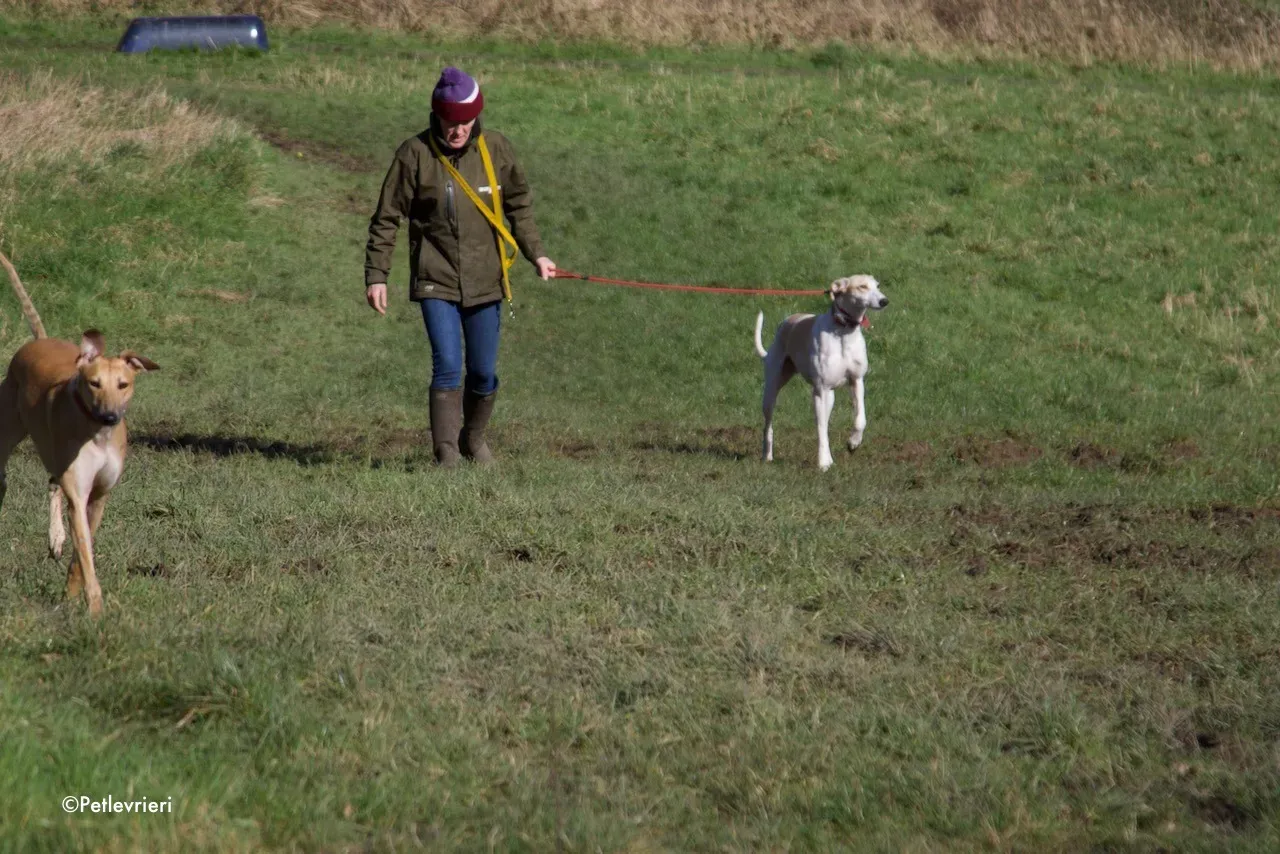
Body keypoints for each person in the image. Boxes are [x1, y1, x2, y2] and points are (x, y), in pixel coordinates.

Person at [365, 66, 555, 467]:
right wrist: (377, 276)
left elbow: (519, 204)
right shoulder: (414, 155)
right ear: (437, 116)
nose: (457, 131)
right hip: (436, 279)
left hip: (486, 280)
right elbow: (387, 217)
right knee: (448, 366)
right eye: (450, 123)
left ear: (476, 116)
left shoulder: (497, 150)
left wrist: (536, 253)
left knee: (483, 372)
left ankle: (472, 438)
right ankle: (446, 454)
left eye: (464, 122)